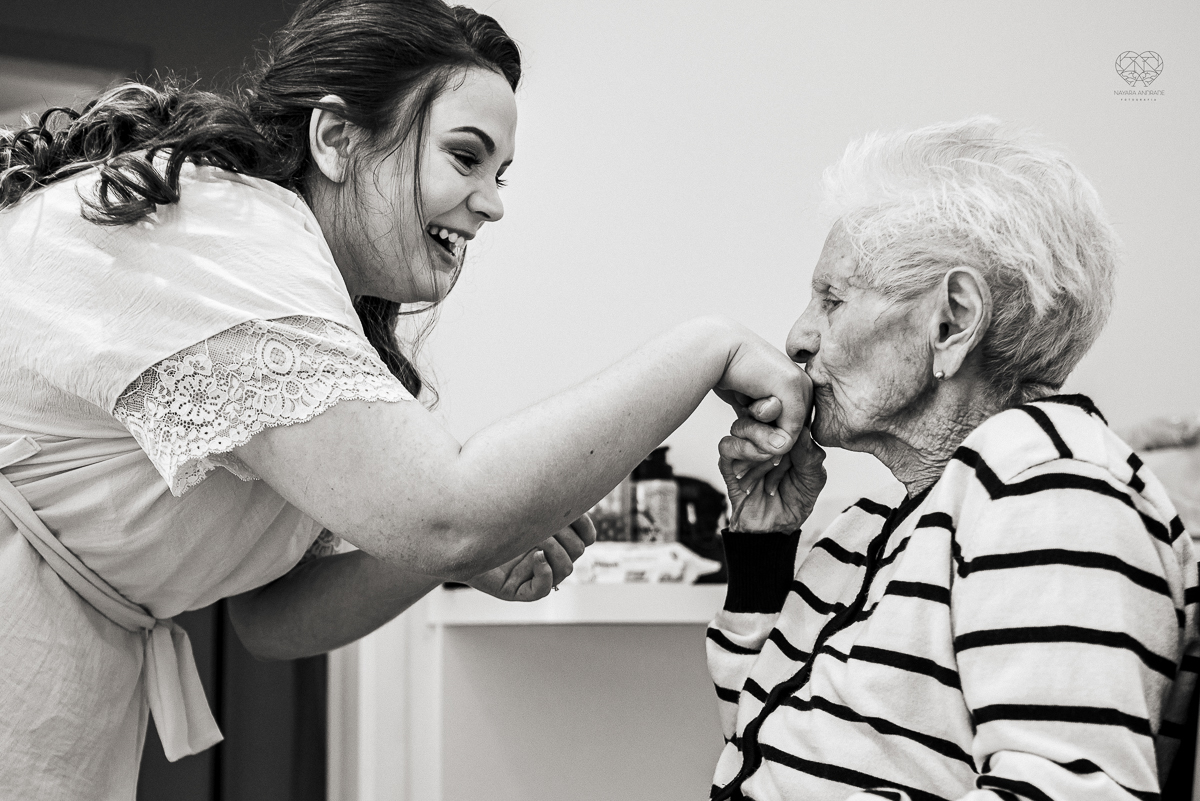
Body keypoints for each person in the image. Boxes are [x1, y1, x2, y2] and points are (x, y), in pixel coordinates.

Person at [0, 1, 808, 796]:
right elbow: (444, 509)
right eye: (465, 158)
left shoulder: (321, 320)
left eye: (500, 174)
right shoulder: (219, 234)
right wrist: (708, 346)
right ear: (337, 138)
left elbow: (271, 620)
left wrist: (450, 557)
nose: (493, 202)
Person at [708, 118, 1199, 801]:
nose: (798, 336)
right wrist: (763, 545)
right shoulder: (878, 517)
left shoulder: (1050, 488)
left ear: (952, 319)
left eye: (832, 298)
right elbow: (755, 743)